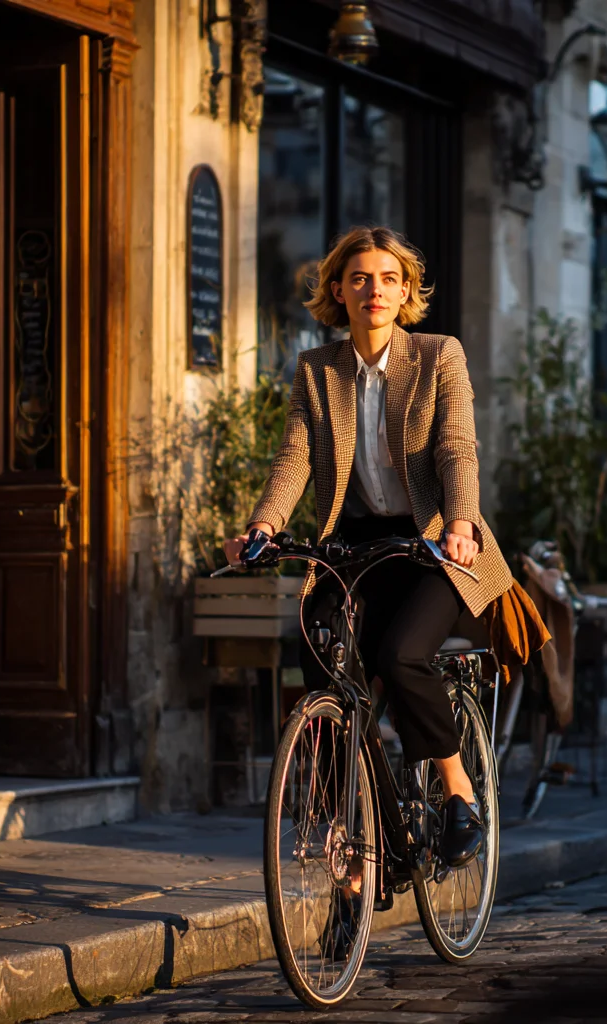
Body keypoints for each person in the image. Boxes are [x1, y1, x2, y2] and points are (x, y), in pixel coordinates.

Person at [225, 226, 549, 870]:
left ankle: (458, 792)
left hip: (434, 546)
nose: (375, 290)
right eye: (360, 278)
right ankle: (354, 859)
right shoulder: (317, 370)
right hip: (356, 547)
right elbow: (294, 459)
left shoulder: (438, 355)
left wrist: (460, 521)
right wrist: (262, 526)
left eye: (389, 279)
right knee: (323, 660)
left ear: (405, 293)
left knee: (402, 656)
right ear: (338, 291)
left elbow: (458, 448)